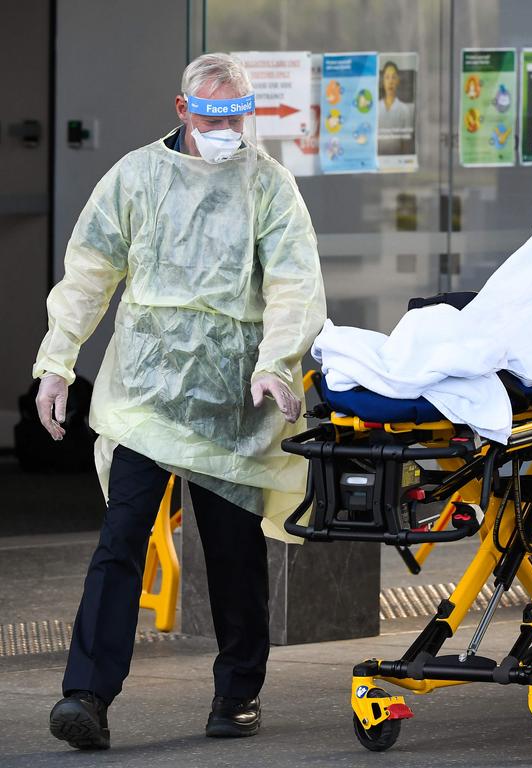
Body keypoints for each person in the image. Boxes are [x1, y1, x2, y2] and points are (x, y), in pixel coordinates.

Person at [35, 53, 326, 748]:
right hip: (148, 394)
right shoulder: (136, 178)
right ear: (181, 109)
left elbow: (294, 282)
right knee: (121, 537)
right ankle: (86, 695)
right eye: (212, 115)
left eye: (238, 116)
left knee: (231, 550)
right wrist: (56, 362)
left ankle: (237, 693)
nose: (228, 129)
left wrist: (277, 364)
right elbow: (88, 271)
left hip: (232, 401)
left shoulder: (268, 184)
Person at [378, 60, 414, 155]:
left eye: (393, 77)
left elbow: (406, 143)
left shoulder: (404, 109)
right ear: (383, 81)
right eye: (387, 77)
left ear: (398, 81)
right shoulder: (376, 108)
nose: (390, 81)